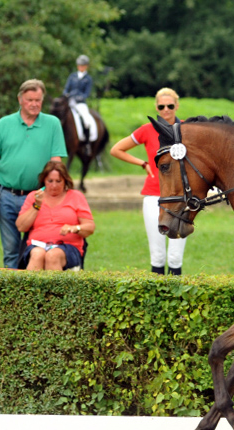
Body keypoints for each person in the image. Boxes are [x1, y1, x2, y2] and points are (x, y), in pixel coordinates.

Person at [110, 88, 187, 275]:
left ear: (176, 105)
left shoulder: (187, 128)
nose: (166, 110)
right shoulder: (147, 129)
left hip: (180, 196)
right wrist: (142, 163)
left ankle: (176, 300)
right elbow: (116, 149)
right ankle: (157, 299)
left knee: (175, 256)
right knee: (158, 255)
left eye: (170, 106)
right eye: (161, 106)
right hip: (154, 195)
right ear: (156, 107)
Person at [0, 79, 67, 268]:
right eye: (29, 100)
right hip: (6, 195)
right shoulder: (4, 124)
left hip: (38, 196)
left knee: (36, 248)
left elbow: (56, 162)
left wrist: (51, 193)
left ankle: (31, 294)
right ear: (20, 99)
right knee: (10, 251)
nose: (34, 104)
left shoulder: (53, 124)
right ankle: (12, 296)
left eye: (38, 100)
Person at [16, 161, 94, 270]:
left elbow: (90, 227)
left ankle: (53, 287)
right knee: (38, 254)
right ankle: (30, 287)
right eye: (50, 181)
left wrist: (74, 228)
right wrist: (36, 205)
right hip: (38, 245)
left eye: (58, 181)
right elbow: (21, 226)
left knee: (53, 255)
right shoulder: (34, 196)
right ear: (44, 180)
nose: (54, 185)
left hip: (68, 246)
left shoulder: (76, 196)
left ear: (65, 181)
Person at [63, 54, 98, 148]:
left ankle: (87, 143)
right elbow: (66, 89)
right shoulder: (72, 76)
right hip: (70, 101)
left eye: (82, 65)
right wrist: (66, 94)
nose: (80, 67)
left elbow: (87, 93)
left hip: (80, 103)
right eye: (79, 65)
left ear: (86, 66)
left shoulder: (88, 79)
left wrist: (79, 98)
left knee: (86, 121)